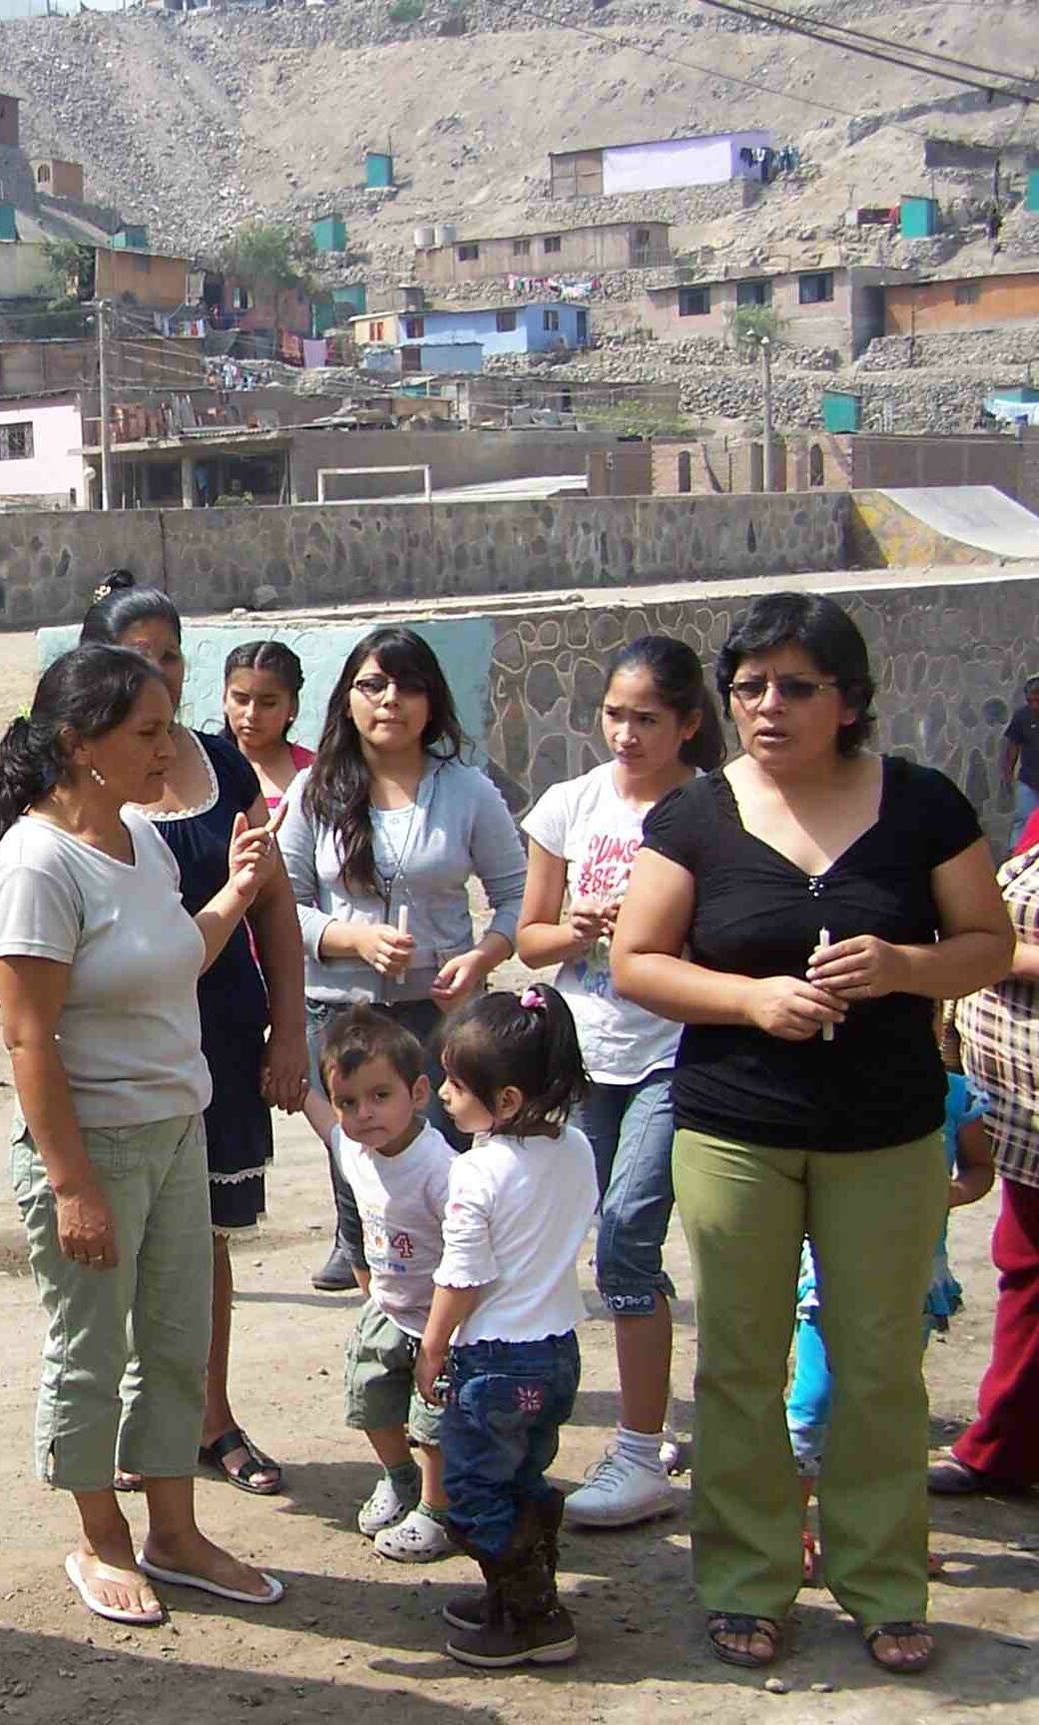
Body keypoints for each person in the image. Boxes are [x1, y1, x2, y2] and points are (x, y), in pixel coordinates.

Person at [612, 592, 1012, 1676]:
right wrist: (749, 1003)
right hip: (735, 1128)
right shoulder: (695, 815)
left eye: (795, 685)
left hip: (884, 1132)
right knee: (740, 1360)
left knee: (878, 1364)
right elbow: (634, 961)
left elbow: (986, 941)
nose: (767, 707)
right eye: (747, 687)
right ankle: (746, 1580)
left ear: (848, 699)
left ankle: (881, 1582)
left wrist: (900, 967)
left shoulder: (922, 805)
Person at [0, 641, 286, 1628]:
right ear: (79, 743)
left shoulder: (138, 840)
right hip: (94, 1148)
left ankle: (175, 1533)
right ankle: (100, 1540)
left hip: (174, 1133)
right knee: (90, 1354)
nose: (170, 749)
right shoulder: (34, 863)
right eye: (148, 732)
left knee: (174, 1340)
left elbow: (174, 956)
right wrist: (70, 1184)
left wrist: (234, 893)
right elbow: (27, 1035)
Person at [78, 575, 309, 1498]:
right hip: (120, 1044)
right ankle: (121, 1432)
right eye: (138, 655)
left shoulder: (222, 762)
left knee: (202, 1241)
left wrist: (289, 1026)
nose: (159, 672)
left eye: (170, 654)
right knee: (120, 1241)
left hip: (221, 1036)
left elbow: (277, 901)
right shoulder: (77, 776)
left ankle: (206, 1420)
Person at [516, 635, 720, 1530]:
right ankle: (546, 1423)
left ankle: (639, 1451)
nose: (628, 734)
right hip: (584, 1051)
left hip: (678, 1050)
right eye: (615, 714)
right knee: (560, 1231)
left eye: (648, 718)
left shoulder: (714, 809)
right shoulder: (571, 803)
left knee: (631, 1234)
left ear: (687, 723)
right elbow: (527, 936)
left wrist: (657, 931)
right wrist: (580, 929)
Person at [279, 625, 527, 1293]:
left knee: (438, 1172)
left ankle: (451, 1316)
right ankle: (383, 1314)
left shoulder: (468, 790)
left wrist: (480, 958)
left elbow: (516, 894)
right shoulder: (314, 791)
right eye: (373, 684)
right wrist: (352, 939)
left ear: (432, 700)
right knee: (361, 1169)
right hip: (340, 1015)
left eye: (407, 685)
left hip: (438, 1017)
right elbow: (282, 905)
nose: (390, 700)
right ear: (348, 699)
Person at [413, 986, 597, 1669]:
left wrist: (433, 1348)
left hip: (494, 1362)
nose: (448, 1096)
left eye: (460, 1085)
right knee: (523, 1475)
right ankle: (520, 1592)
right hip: (557, 1354)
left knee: (472, 1493)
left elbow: (461, 1275)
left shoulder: (477, 1170)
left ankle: (533, 1612)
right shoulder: (576, 1148)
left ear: (509, 1099)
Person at [789, 1058, 992, 1579]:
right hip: (833, 1274)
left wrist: (950, 1194)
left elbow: (979, 1169)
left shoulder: (951, 1095)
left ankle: (884, 1535)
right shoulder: (832, 1085)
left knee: (889, 1400)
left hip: (916, 1277)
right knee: (813, 1403)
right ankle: (790, 1526)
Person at [299, 1008, 460, 1561]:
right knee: (370, 1398)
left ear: (419, 1093)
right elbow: (323, 1123)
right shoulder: (356, 1150)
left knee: (433, 1420)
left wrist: (444, 1335)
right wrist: (295, 1085)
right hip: (386, 1308)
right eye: (348, 1102)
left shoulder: (443, 1170)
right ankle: (400, 1478)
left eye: (379, 1096)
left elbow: (469, 1254)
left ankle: (438, 1513)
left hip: (442, 1319)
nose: (363, 1115)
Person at [932, 842, 1039, 1498]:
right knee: (1025, 1266)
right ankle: (1006, 1442)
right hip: (1020, 1109)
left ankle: (1002, 1445)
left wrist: (993, 951)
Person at [220, 639, 313, 821]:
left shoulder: (315, 775)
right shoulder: (204, 767)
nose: (252, 714)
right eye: (241, 699)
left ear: (293, 707)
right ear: (225, 698)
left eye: (268, 703)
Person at [1000, 675, 1039, 834]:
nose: (1034, 706)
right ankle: (1017, 853)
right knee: (1023, 820)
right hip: (1029, 779)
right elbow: (1013, 744)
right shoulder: (1022, 716)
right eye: (1030, 701)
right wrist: (1008, 772)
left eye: (1038, 701)